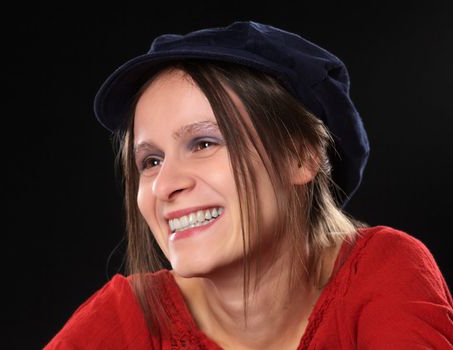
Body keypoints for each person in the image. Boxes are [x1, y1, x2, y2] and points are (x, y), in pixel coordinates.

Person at [45, 21, 453, 349]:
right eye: (150, 161)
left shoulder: (385, 271)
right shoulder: (129, 316)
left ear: (301, 157)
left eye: (204, 142)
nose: (163, 185)